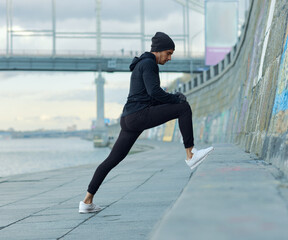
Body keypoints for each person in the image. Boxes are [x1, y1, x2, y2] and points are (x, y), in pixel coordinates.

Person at [79, 32, 214, 214]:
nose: (170, 58)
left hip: (128, 119)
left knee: (111, 160)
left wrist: (171, 99)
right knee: (183, 108)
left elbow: (150, 97)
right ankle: (191, 155)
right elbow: (154, 93)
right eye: (168, 53)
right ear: (158, 51)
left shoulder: (141, 64)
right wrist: (175, 98)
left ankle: (87, 201)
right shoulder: (149, 64)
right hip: (138, 116)